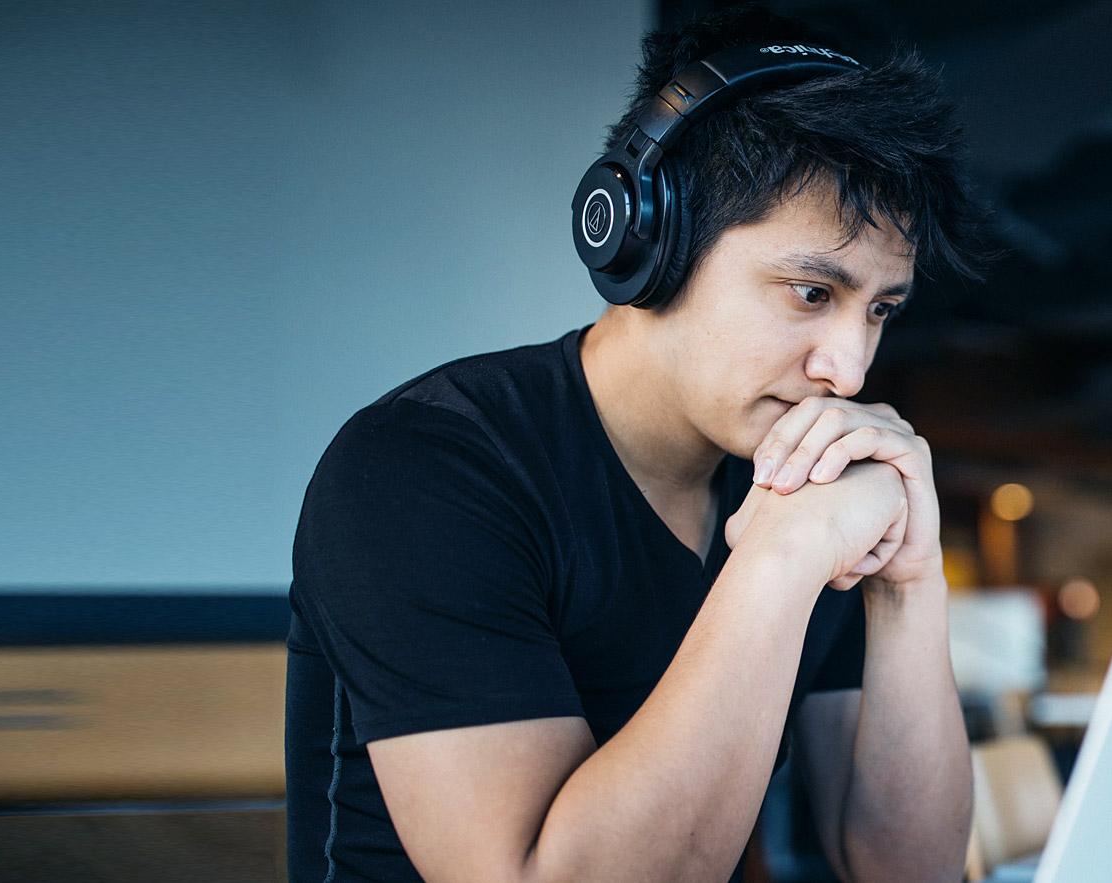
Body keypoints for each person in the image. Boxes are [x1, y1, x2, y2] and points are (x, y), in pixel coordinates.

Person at [283, 6, 991, 881]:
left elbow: (906, 870)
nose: (847, 368)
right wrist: (777, 562)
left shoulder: (808, 476)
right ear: (650, 240)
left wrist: (909, 583)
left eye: (880, 310)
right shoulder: (421, 469)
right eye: (812, 292)